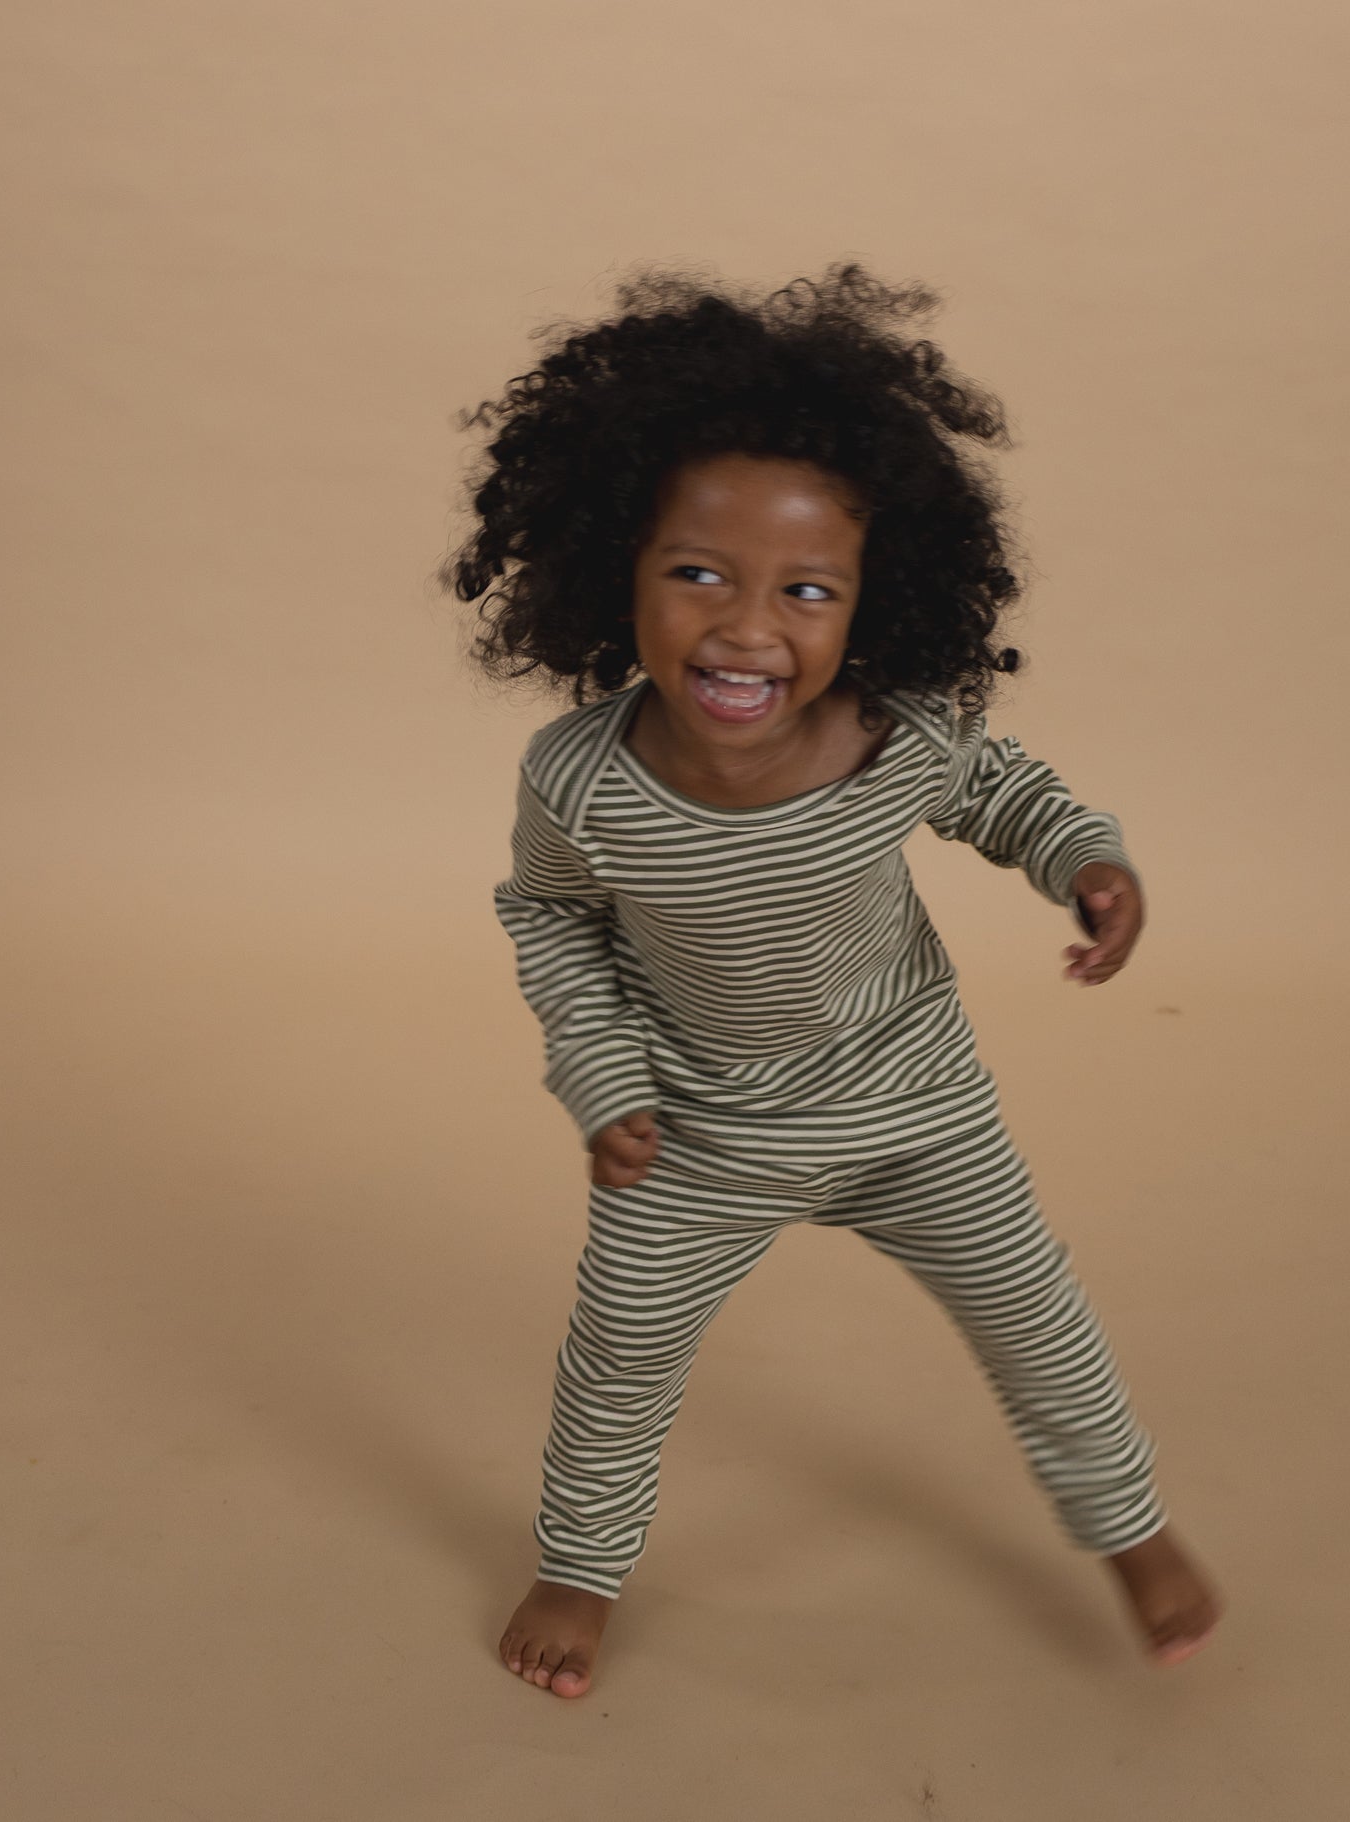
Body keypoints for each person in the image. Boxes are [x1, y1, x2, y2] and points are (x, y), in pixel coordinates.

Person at [445, 264, 1223, 1699]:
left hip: (914, 1109)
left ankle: (1131, 1533)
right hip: (692, 1135)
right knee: (617, 1351)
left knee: (1035, 1315)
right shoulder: (580, 782)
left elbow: (1008, 792)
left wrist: (1085, 866)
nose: (748, 630)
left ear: (870, 605)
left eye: (805, 591)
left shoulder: (899, 736)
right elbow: (550, 924)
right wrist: (602, 1077)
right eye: (699, 574)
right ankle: (577, 1560)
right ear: (615, 564)